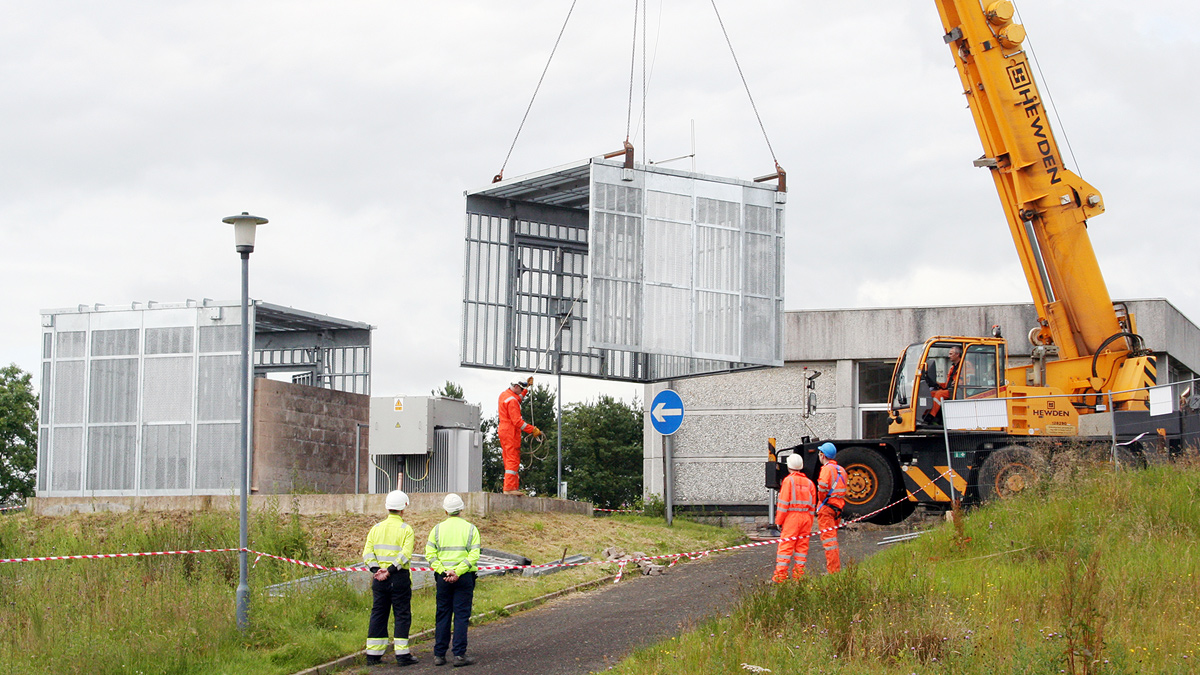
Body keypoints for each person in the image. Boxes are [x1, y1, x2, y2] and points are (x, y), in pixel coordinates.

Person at [363, 490, 418, 667]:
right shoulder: (406, 529)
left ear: (387, 507)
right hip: (398, 577)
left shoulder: (376, 528)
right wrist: (391, 570)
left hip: (378, 578)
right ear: (403, 509)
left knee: (378, 613)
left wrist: (376, 570)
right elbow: (405, 555)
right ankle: (402, 655)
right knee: (401, 614)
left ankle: (373, 654)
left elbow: (367, 553)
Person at [425, 493, 482, 667]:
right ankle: (459, 655)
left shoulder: (436, 529)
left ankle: (439, 655)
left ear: (445, 510)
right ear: (461, 509)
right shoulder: (471, 529)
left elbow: (430, 555)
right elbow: (474, 555)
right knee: (461, 616)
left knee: (442, 614)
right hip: (464, 577)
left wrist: (444, 572)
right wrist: (458, 571)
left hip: (443, 578)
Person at [773, 452, 816, 582]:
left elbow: (783, 504)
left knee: (785, 548)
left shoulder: (788, 481)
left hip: (792, 518)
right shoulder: (809, 483)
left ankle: (780, 577)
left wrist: (778, 521)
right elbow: (813, 505)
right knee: (802, 548)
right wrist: (809, 521)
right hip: (806, 518)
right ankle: (798, 576)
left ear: (789, 466)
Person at [498, 377, 542, 494]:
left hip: (504, 430)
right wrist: (532, 430)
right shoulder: (512, 401)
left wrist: (526, 389)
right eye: (521, 388)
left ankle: (511, 487)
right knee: (512, 459)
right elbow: (518, 422)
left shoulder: (505, 395)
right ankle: (509, 488)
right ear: (516, 386)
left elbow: (518, 398)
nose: (521, 390)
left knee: (508, 458)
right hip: (510, 432)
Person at [815, 442, 848, 574]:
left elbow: (822, 488)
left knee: (829, 541)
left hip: (827, 508)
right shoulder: (842, 470)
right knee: (833, 539)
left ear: (823, 455)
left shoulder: (826, 469)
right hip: (838, 508)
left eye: (819, 453)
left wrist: (822, 501)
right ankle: (835, 569)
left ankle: (833, 571)